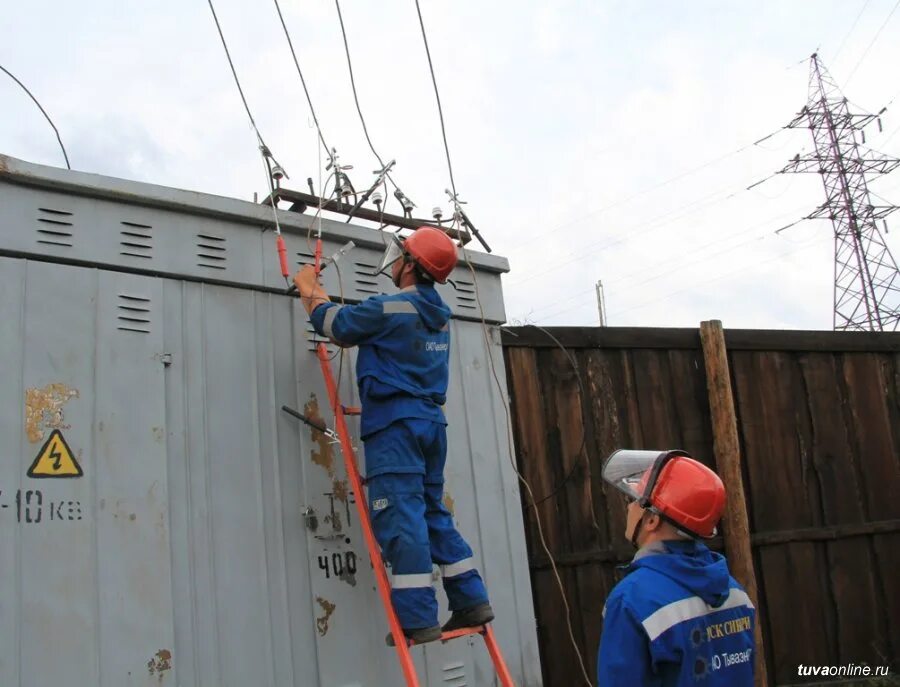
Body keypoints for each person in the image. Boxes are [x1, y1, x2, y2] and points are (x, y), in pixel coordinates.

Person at [292, 226, 493, 644]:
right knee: (433, 512)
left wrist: (308, 286)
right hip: (430, 425)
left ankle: (418, 620)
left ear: (410, 264)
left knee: (400, 515)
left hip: (394, 426)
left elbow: (338, 325)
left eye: (401, 253)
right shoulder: (439, 315)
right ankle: (471, 599)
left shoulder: (393, 307)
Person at [597, 449, 755, 686]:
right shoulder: (736, 593)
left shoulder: (631, 600)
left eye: (635, 500)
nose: (629, 508)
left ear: (652, 520)